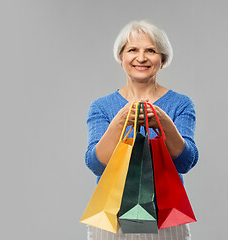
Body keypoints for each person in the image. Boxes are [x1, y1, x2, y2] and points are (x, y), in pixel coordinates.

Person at [85, 20, 199, 240]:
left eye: (151, 50)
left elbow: (186, 162)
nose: (141, 57)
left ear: (163, 60)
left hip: (166, 218)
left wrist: (164, 122)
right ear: (121, 57)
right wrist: (120, 122)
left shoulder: (181, 104)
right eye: (132, 50)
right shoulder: (101, 107)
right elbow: (96, 165)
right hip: (111, 219)